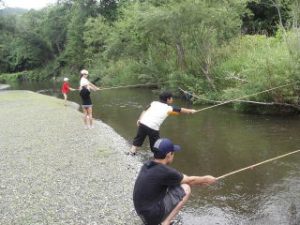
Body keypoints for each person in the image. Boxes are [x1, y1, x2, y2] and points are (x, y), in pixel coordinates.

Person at [133, 138, 217, 225]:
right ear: (169, 155)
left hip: (141, 212)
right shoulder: (164, 171)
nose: (174, 155)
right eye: (173, 153)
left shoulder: (147, 165)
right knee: (186, 188)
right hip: (152, 217)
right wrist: (206, 179)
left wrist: (199, 182)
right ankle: (165, 222)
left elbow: (178, 177)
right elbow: (190, 180)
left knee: (176, 183)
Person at [130, 91, 196, 155]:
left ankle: (132, 152)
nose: (172, 99)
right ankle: (157, 158)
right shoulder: (169, 108)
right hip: (153, 128)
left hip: (143, 123)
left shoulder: (153, 103)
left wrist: (139, 119)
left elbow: (145, 110)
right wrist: (191, 111)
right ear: (168, 99)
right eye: (171, 98)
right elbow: (181, 110)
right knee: (155, 144)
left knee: (138, 138)